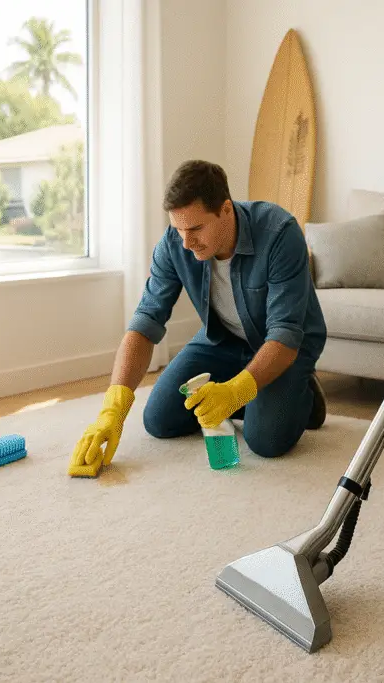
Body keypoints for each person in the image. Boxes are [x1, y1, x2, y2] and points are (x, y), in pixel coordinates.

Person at [70, 160, 328, 475]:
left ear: (226, 210)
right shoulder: (174, 245)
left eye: (195, 229)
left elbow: (285, 334)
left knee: (265, 440)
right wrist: (112, 411)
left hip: (285, 348)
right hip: (222, 340)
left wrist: (234, 393)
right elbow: (145, 323)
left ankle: (303, 396)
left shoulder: (278, 232)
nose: (186, 243)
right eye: (179, 229)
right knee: (159, 420)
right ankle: (257, 394)